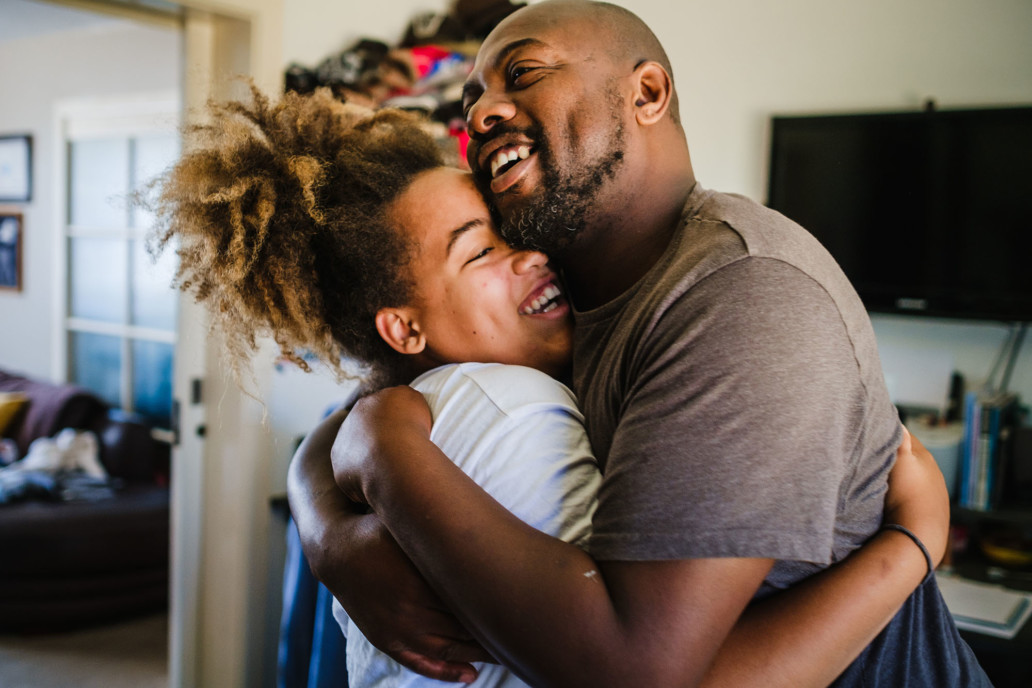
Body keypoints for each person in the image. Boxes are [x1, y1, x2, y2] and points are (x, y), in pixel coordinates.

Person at [154, 84, 948, 688]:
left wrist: (328, 500)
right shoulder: (511, 413)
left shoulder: (423, 405)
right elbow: (633, 672)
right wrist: (910, 548)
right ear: (404, 330)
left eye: (512, 236)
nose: (528, 256)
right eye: (479, 254)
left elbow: (348, 421)